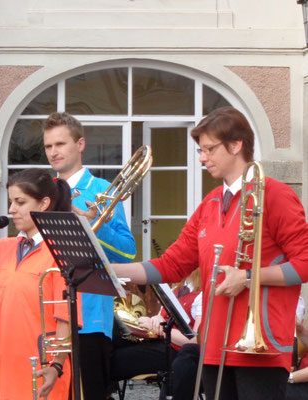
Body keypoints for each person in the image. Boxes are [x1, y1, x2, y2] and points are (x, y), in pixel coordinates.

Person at [112, 106, 308, 400]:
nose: (202, 157)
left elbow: (304, 263)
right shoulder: (211, 202)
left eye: (209, 149)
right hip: (213, 343)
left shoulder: (276, 195)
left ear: (236, 145)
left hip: (261, 344)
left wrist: (246, 277)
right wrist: (112, 268)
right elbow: (173, 264)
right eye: (201, 150)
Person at [43, 111, 136, 399]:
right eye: (48, 146)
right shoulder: (43, 190)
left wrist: (92, 226)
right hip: (45, 313)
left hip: (89, 317)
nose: (54, 152)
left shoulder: (102, 191)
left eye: (61, 144)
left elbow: (127, 253)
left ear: (80, 144)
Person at [0, 168, 79, 400]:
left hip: (40, 365)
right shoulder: (2, 247)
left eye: (20, 202)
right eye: (11, 202)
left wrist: (56, 366)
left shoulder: (60, 250)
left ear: (43, 204)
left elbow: (65, 317)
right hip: (3, 361)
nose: (12, 210)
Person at [111, 269, 202, 400]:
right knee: (109, 345)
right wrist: (151, 320)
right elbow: (160, 319)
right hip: (162, 344)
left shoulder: (202, 295)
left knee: (113, 361)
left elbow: (195, 341)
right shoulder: (176, 289)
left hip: (178, 352)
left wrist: (161, 329)